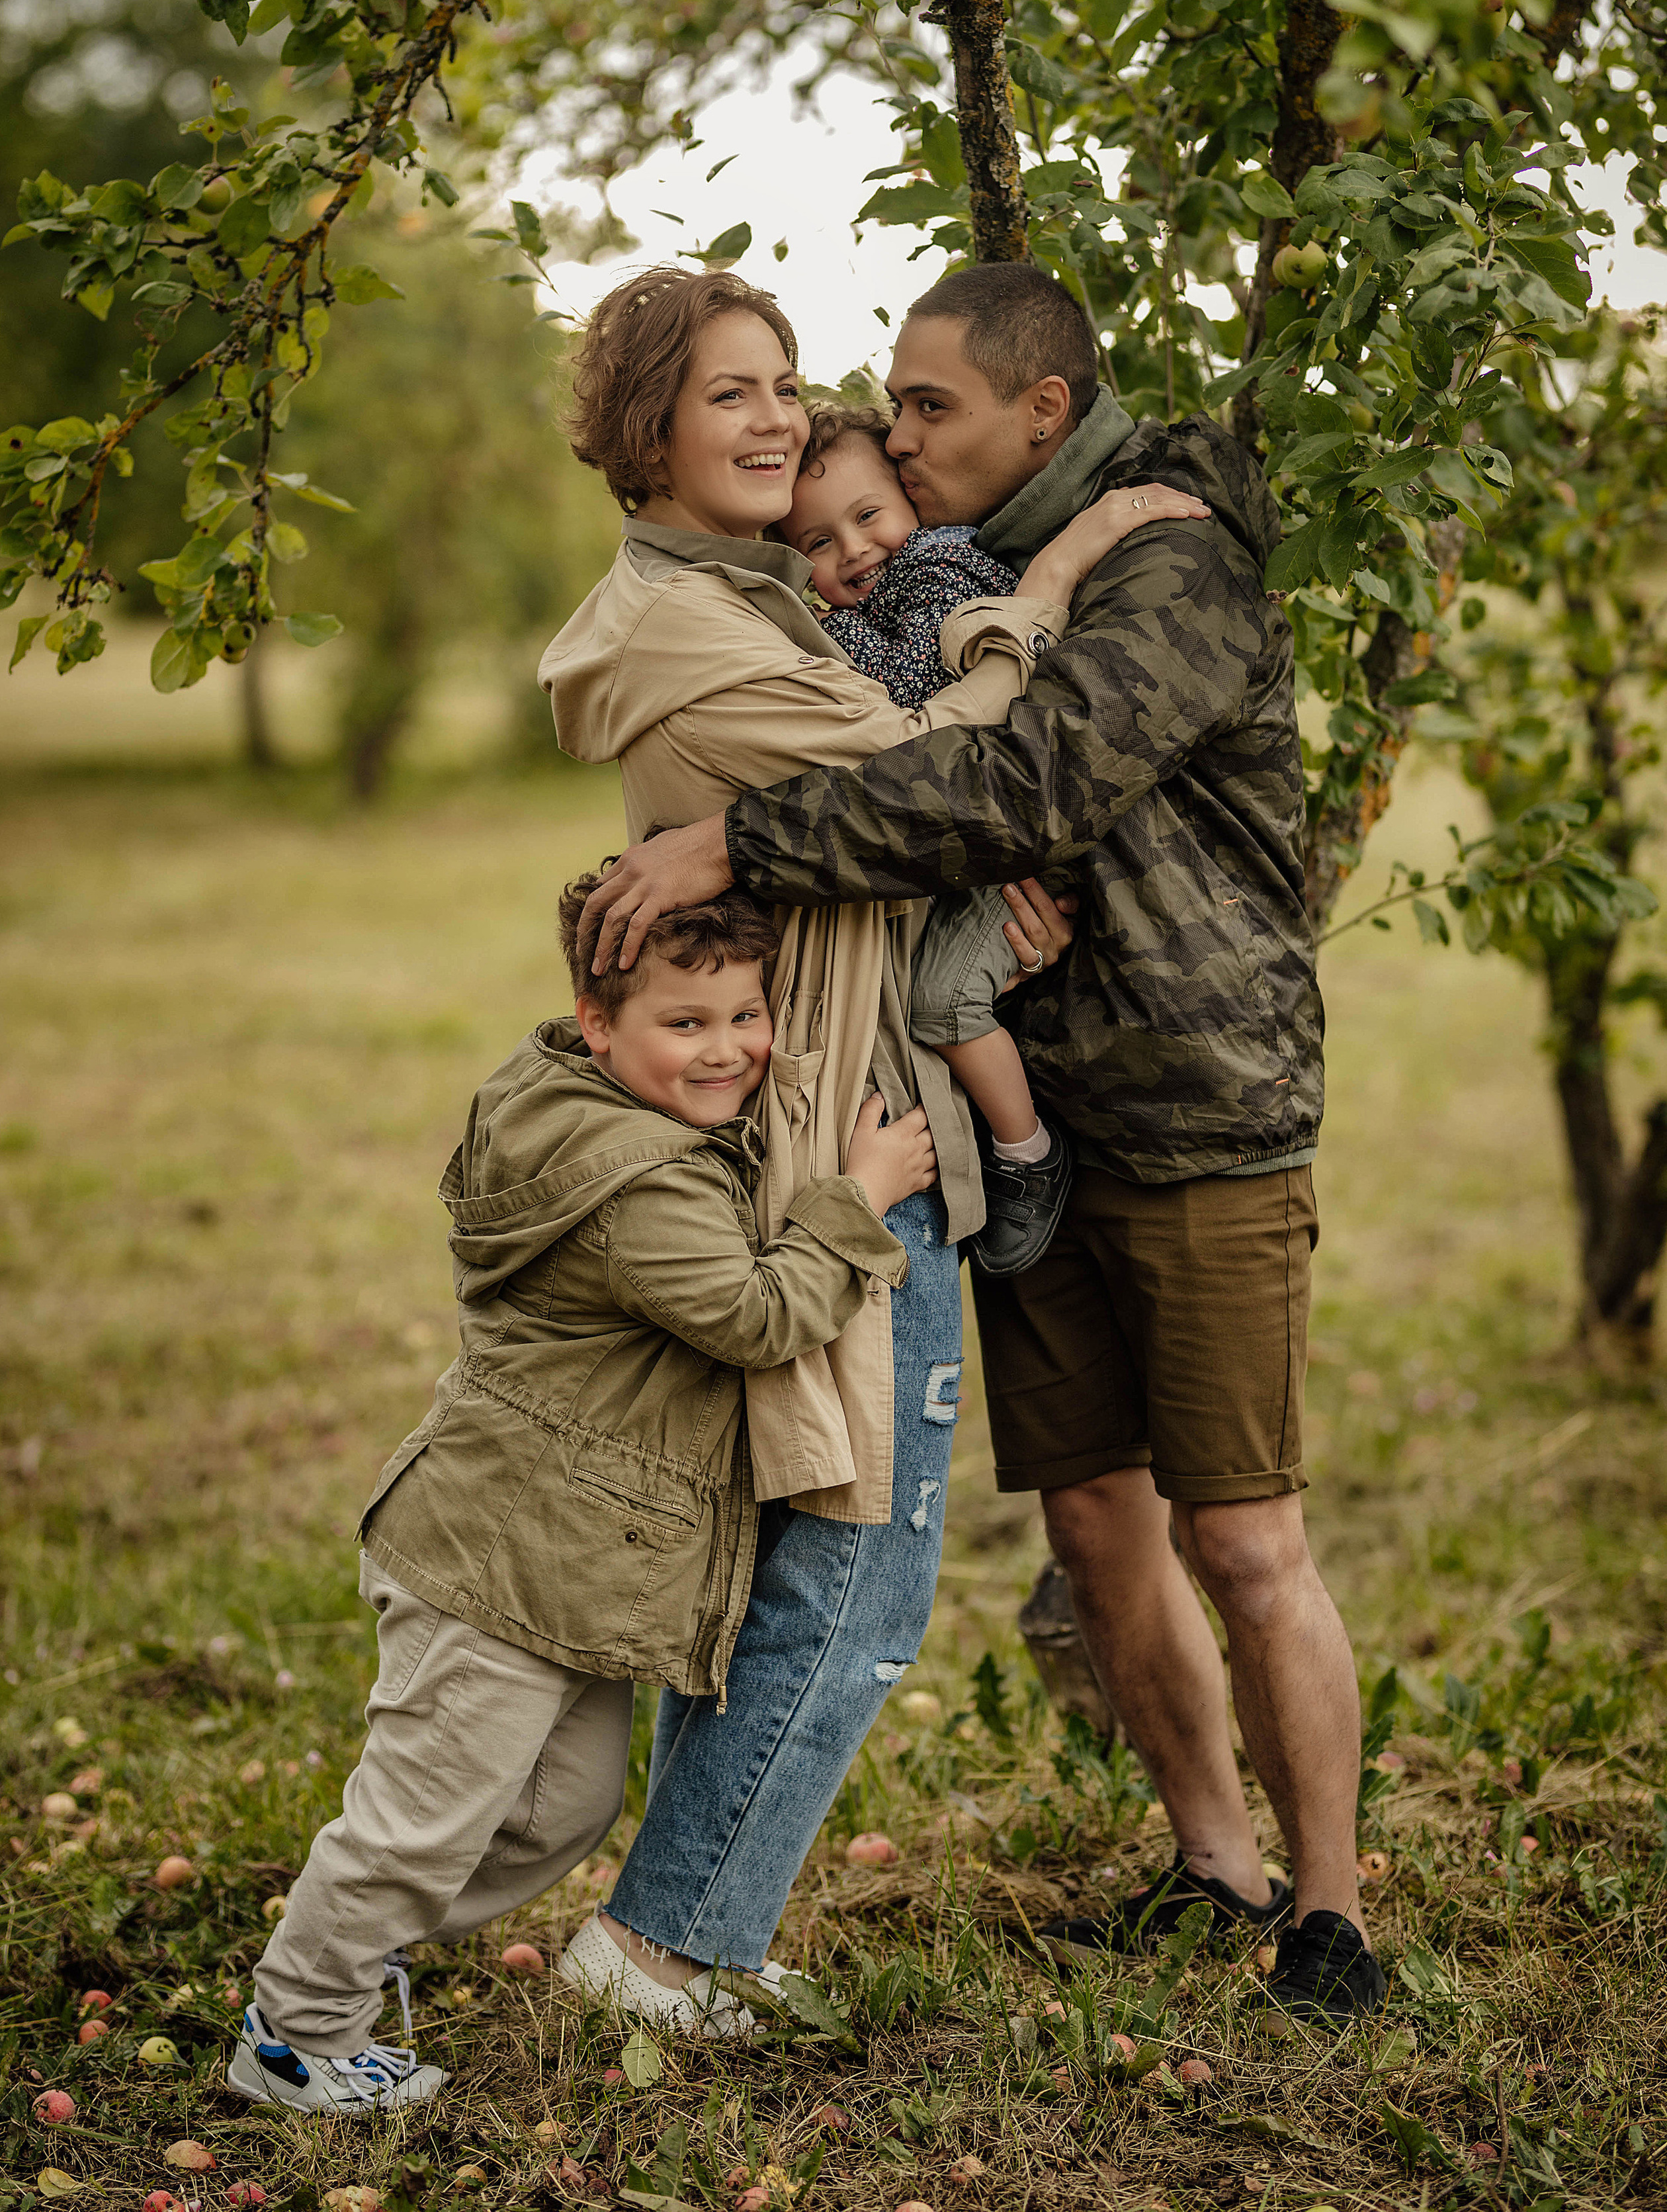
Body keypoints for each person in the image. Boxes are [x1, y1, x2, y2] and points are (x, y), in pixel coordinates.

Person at [574, 260, 1386, 2024]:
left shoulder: (1169, 559)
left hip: (1193, 1109)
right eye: (888, 402)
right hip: (1024, 1125)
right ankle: (1215, 1868)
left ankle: (1331, 1915)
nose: (889, 434)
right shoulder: (942, 567)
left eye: (926, 406)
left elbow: (1023, 785)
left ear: (1042, 406)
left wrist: (742, 843)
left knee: (1246, 1542)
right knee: (1095, 1526)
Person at [229, 875, 927, 2113]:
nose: (727, 1050)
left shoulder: (596, 1102)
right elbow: (757, 1315)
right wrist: (857, 1197)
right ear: (597, 1023)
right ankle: (298, 2026)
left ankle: (354, 1938)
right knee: (423, 1817)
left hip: (570, 1562)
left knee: (561, 1811)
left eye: (747, 1015)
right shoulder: (637, 1181)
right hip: (500, 1555)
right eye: (685, 1023)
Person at [777, 400, 1204, 1274]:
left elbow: (914, 703)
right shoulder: (878, 593)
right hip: (969, 839)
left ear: (911, 497)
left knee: (940, 1001)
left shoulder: (939, 566)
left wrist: (821, 640)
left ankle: (1027, 1152)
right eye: (817, 542)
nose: (853, 549)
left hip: (1009, 839)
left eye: (868, 515)